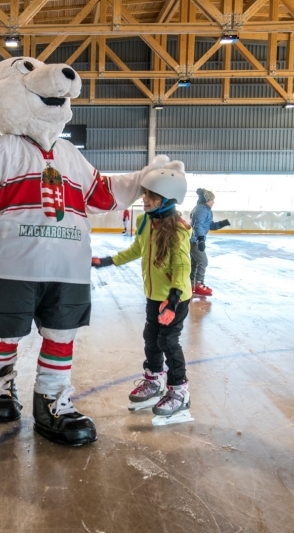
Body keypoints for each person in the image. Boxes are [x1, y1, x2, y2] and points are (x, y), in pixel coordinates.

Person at [0, 56, 183, 446]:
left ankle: (52, 401)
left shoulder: (71, 155)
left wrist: (144, 177)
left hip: (67, 269)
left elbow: (103, 195)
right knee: (7, 333)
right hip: (7, 266)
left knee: (61, 335)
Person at [92, 163, 193, 426]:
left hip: (174, 298)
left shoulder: (178, 229)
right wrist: (107, 261)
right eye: (145, 194)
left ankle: (179, 391)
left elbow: (182, 267)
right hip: (153, 294)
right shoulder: (145, 221)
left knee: (168, 342)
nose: (144, 199)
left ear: (168, 200)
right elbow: (137, 249)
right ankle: (153, 381)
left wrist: (172, 301)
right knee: (151, 337)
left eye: (151, 196)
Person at [189, 188, 230, 296]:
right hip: (195, 240)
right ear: (208, 200)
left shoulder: (205, 209)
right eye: (212, 200)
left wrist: (222, 223)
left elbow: (209, 225)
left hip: (195, 240)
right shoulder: (202, 209)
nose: (213, 202)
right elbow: (197, 225)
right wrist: (201, 239)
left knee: (196, 262)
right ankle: (198, 285)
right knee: (203, 262)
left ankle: (191, 285)